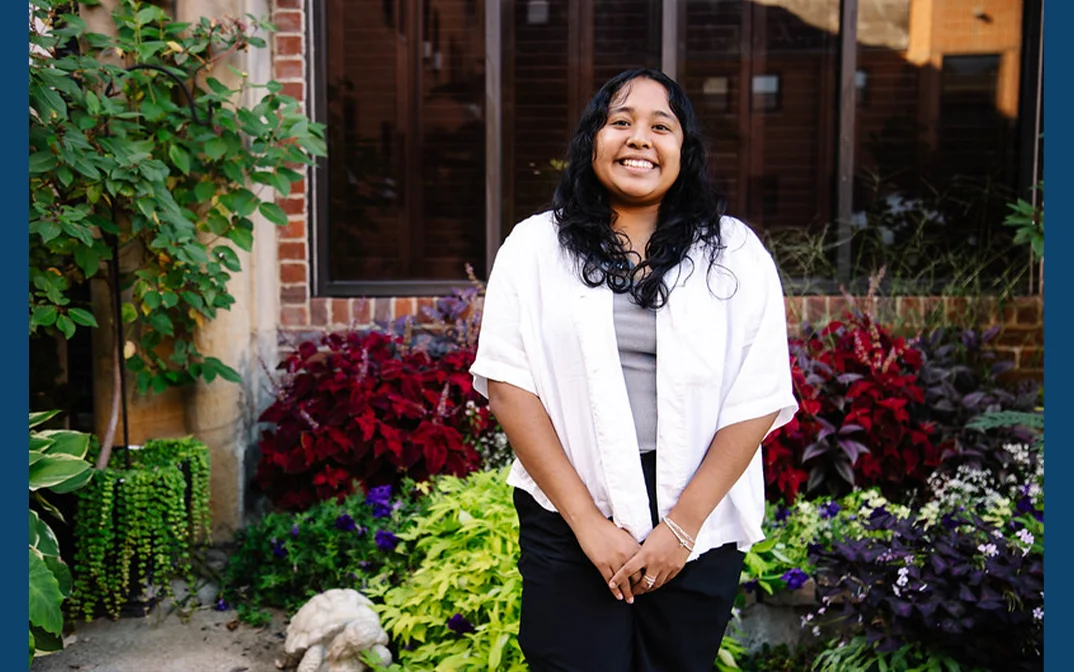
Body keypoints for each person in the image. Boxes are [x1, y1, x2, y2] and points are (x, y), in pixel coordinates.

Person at [469, 68, 798, 672]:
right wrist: (589, 525)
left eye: (660, 126)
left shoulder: (734, 253)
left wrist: (681, 529)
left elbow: (758, 396)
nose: (639, 138)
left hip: (698, 516)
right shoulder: (534, 247)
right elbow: (511, 388)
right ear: (592, 141)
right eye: (620, 122)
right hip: (567, 511)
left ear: (684, 150)